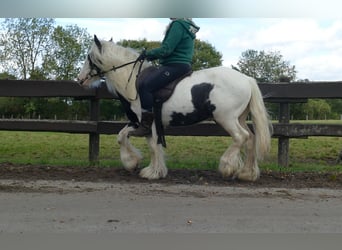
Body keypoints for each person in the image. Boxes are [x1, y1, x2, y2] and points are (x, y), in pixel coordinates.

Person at [131, 18, 200, 136]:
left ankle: (146, 125)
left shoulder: (178, 24)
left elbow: (166, 49)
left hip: (174, 65)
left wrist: (147, 54)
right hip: (182, 65)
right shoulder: (187, 26)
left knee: (146, 86)